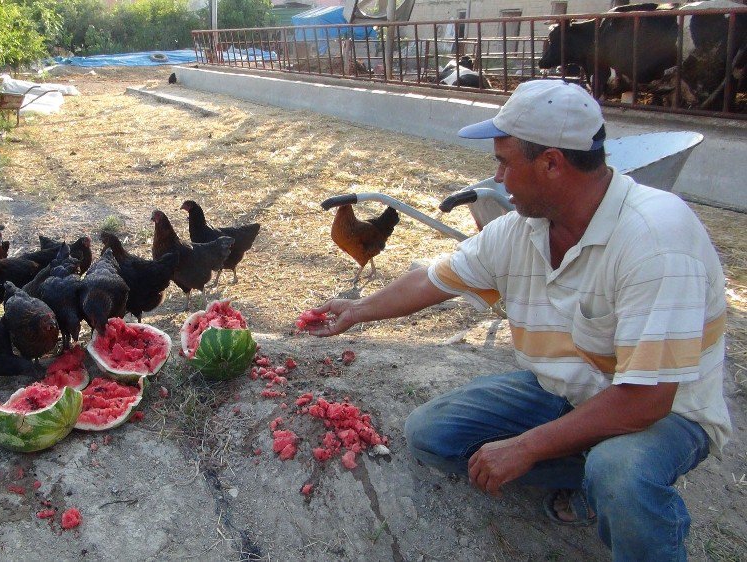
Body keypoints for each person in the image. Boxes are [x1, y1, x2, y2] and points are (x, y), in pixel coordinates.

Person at [305, 79, 730, 561]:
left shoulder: (656, 238)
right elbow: (434, 279)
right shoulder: (521, 230)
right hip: (566, 392)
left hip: (664, 413)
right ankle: (584, 469)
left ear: (551, 163)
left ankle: (619, 497)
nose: (499, 178)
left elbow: (647, 400)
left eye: (505, 162)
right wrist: (357, 310)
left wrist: (527, 446)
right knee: (433, 437)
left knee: (621, 471)